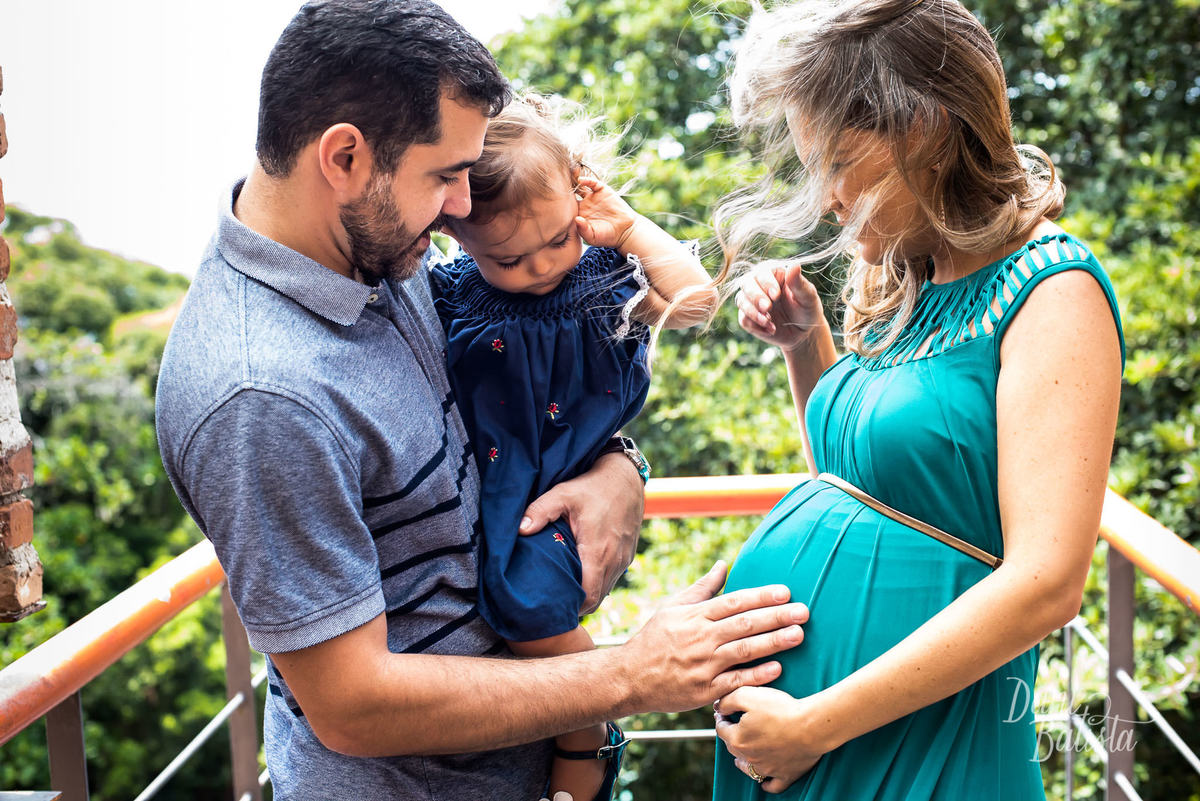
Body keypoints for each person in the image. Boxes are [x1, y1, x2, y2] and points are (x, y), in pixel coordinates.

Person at [154, 2, 809, 800]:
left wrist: (617, 466)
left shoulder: (380, 258)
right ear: (345, 157)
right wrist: (631, 674)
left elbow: (525, 410)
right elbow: (353, 706)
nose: (466, 208)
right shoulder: (260, 393)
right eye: (444, 176)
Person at [708, 0, 1125, 799]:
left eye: (836, 161)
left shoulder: (1053, 289)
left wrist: (814, 723)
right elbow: (867, 488)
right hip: (808, 743)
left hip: (923, 750)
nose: (825, 198)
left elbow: (1047, 581)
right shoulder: (908, 282)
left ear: (924, 129)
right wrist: (805, 343)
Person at [430, 93, 717, 801]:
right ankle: (591, 718)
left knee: (525, 600)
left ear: (579, 190)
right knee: (515, 598)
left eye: (559, 238)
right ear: (454, 229)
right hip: (503, 481)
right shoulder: (453, 296)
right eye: (509, 258)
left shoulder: (604, 275)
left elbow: (698, 303)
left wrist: (630, 227)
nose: (540, 266)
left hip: (564, 476)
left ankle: (585, 733)